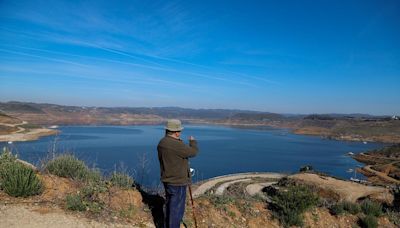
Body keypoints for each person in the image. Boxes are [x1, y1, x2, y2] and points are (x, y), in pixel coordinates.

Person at [157, 119, 199, 228]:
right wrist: (193, 142)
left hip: (167, 179)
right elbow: (193, 152)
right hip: (178, 182)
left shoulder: (162, 142)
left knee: (170, 206)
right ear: (176, 132)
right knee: (177, 210)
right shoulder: (176, 144)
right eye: (179, 131)